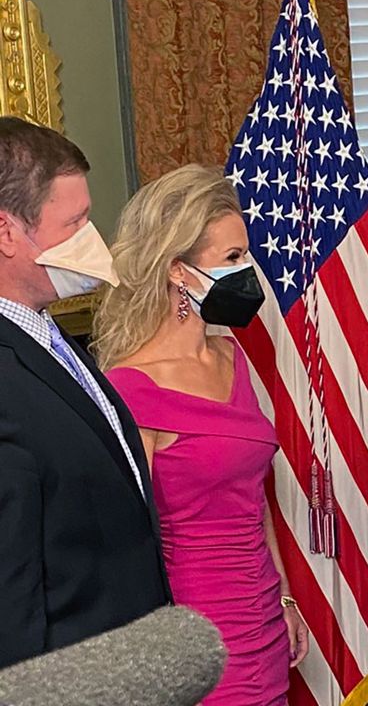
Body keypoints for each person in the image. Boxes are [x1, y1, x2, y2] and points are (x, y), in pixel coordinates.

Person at [93, 165, 306, 704]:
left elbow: (254, 498)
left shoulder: (232, 359)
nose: (248, 270)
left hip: (263, 621)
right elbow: (122, 543)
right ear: (177, 272)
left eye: (246, 254)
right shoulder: (131, 387)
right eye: (232, 258)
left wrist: (283, 598)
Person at [0, 117, 170, 668]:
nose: (91, 241)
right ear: (6, 233)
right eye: (73, 223)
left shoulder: (55, 336)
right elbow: (11, 588)